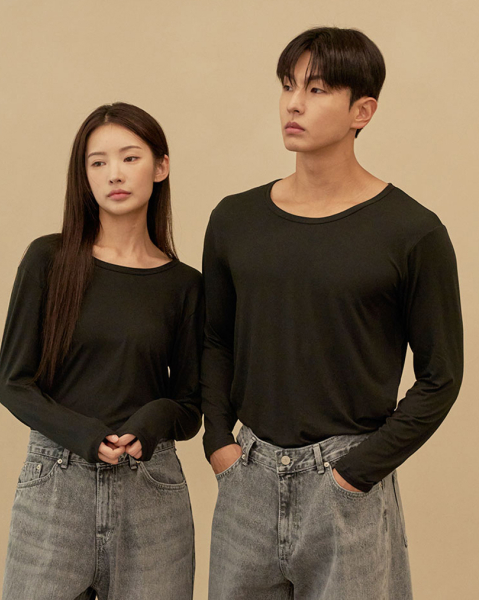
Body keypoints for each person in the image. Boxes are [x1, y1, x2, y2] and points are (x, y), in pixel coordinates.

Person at [202, 27, 463, 600]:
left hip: (348, 483)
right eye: (288, 85)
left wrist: (357, 472)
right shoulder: (234, 219)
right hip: (248, 475)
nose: (293, 103)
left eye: (317, 89)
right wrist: (219, 442)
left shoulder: (412, 232)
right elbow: (215, 340)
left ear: (361, 111)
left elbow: (442, 376)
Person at [0, 102, 202, 600]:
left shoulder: (184, 285)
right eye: (98, 162)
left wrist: (151, 419)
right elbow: (12, 383)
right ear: (84, 175)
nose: (114, 174)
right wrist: (84, 435)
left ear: (161, 167)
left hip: (151, 491)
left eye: (130, 158)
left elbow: (191, 408)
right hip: (55, 486)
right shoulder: (48, 259)